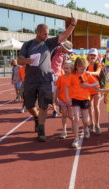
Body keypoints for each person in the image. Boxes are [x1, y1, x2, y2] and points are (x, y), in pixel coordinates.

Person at [17, 12, 77, 142]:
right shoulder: (27, 45)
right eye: (45, 33)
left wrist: (72, 24)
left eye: (48, 33)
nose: (47, 35)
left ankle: (41, 129)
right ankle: (37, 117)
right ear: (38, 32)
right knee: (29, 105)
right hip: (30, 80)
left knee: (44, 105)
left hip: (45, 80)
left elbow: (63, 36)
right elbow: (19, 60)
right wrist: (26, 61)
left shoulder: (48, 43)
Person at [66, 57, 99, 148]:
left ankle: (86, 128)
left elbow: (97, 83)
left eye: (84, 68)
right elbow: (67, 87)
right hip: (75, 99)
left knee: (85, 120)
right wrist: (68, 98)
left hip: (85, 99)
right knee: (76, 118)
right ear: (76, 67)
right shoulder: (72, 76)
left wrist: (88, 85)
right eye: (81, 68)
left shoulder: (87, 75)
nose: (83, 70)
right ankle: (76, 139)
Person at [50, 40, 73, 118]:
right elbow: (47, 60)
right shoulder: (54, 50)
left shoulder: (65, 55)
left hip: (60, 76)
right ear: (63, 47)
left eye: (68, 50)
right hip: (51, 76)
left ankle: (60, 105)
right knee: (53, 95)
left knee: (60, 94)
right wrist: (49, 69)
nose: (67, 51)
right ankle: (54, 110)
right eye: (66, 49)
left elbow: (64, 65)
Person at [55, 60, 74, 139]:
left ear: (72, 69)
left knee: (70, 115)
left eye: (67, 68)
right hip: (62, 99)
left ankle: (73, 123)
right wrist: (56, 98)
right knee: (64, 115)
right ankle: (64, 130)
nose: (65, 70)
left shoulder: (73, 77)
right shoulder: (60, 77)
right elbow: (58, 88)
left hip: (71, 100)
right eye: (64, 68)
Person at [86, 48, 103, 135]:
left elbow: (97, 73)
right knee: (89, 107)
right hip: (88, 89)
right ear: (88, 56)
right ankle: (91, 124)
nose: (92, 56)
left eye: (94, 55)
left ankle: (97, 125)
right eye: (91, 55)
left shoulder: (98, 65)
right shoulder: (85, 65)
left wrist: (89, 72)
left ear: (97, 57)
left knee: (96, 107)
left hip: (96, 88)